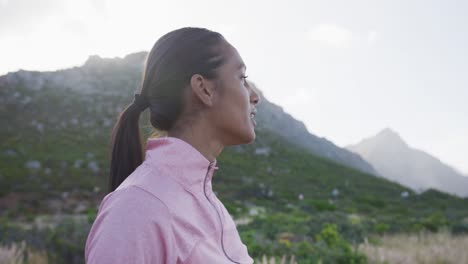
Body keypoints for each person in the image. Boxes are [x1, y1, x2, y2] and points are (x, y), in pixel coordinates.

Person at [85, 27, 260, 264]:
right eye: (242, 78)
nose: (255, 96)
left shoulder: (210, 205)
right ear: (204, 88)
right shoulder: (136, 210)